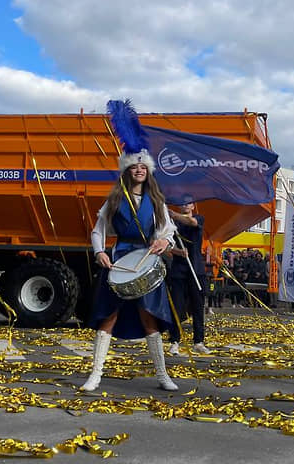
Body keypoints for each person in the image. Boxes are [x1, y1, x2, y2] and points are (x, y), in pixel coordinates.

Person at [82, 99, 177, 392]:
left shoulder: (158, 201)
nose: (139, 169)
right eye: (134, 165)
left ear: (148, 170)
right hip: (121, 258)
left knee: (150, 317)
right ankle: (95, 375)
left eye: (143, 165)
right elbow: (97, 231)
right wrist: (99, 251)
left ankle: (162, 375)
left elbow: (167, 229)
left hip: (147, 259)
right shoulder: (114, 200)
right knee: (108, 316)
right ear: (127, 169)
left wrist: (164, 240)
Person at [167, 200, 211, 355]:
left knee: (198, 307)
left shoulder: (199, 218)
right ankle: (174, 341)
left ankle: (198, 341)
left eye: (188, 203)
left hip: (196, 269)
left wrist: (173, 214)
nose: (185, 205)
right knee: (177, 307)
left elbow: (191, 222)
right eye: (183, 202)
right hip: (178, 270)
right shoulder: (171, 224)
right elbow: (167, 244)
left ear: (193, 206)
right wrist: (178, 252)